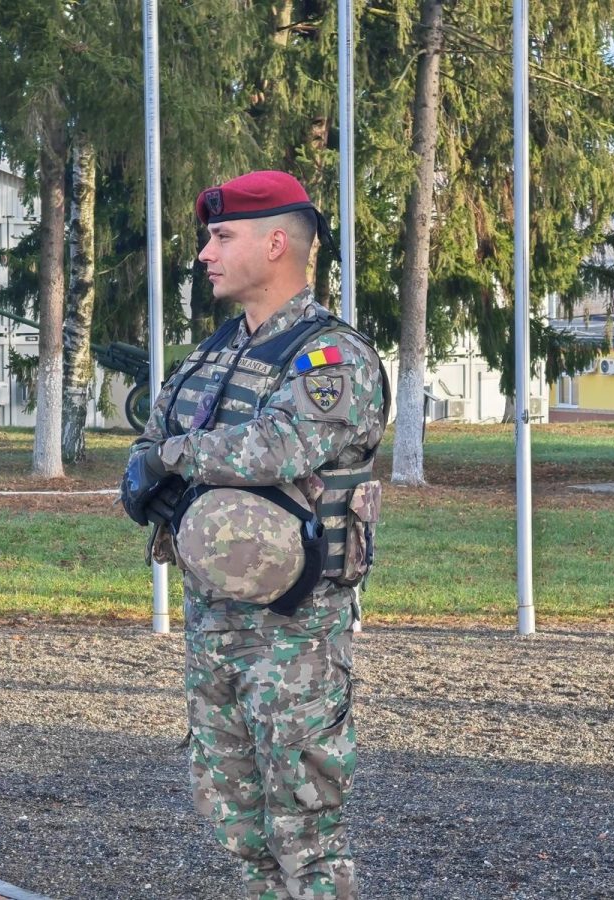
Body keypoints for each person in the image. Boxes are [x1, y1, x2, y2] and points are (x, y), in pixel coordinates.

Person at [120, 170, 387, 900]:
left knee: (306, 826)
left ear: (276, 244)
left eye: (221, 237)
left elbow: (279, 447)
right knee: (234, 821)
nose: (205, 253)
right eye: (208, 237)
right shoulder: (208, 358)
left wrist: (175, 456)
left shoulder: (331, 358)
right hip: (213, 621)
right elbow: (150, 435)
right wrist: (155, 462)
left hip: (293, 629)